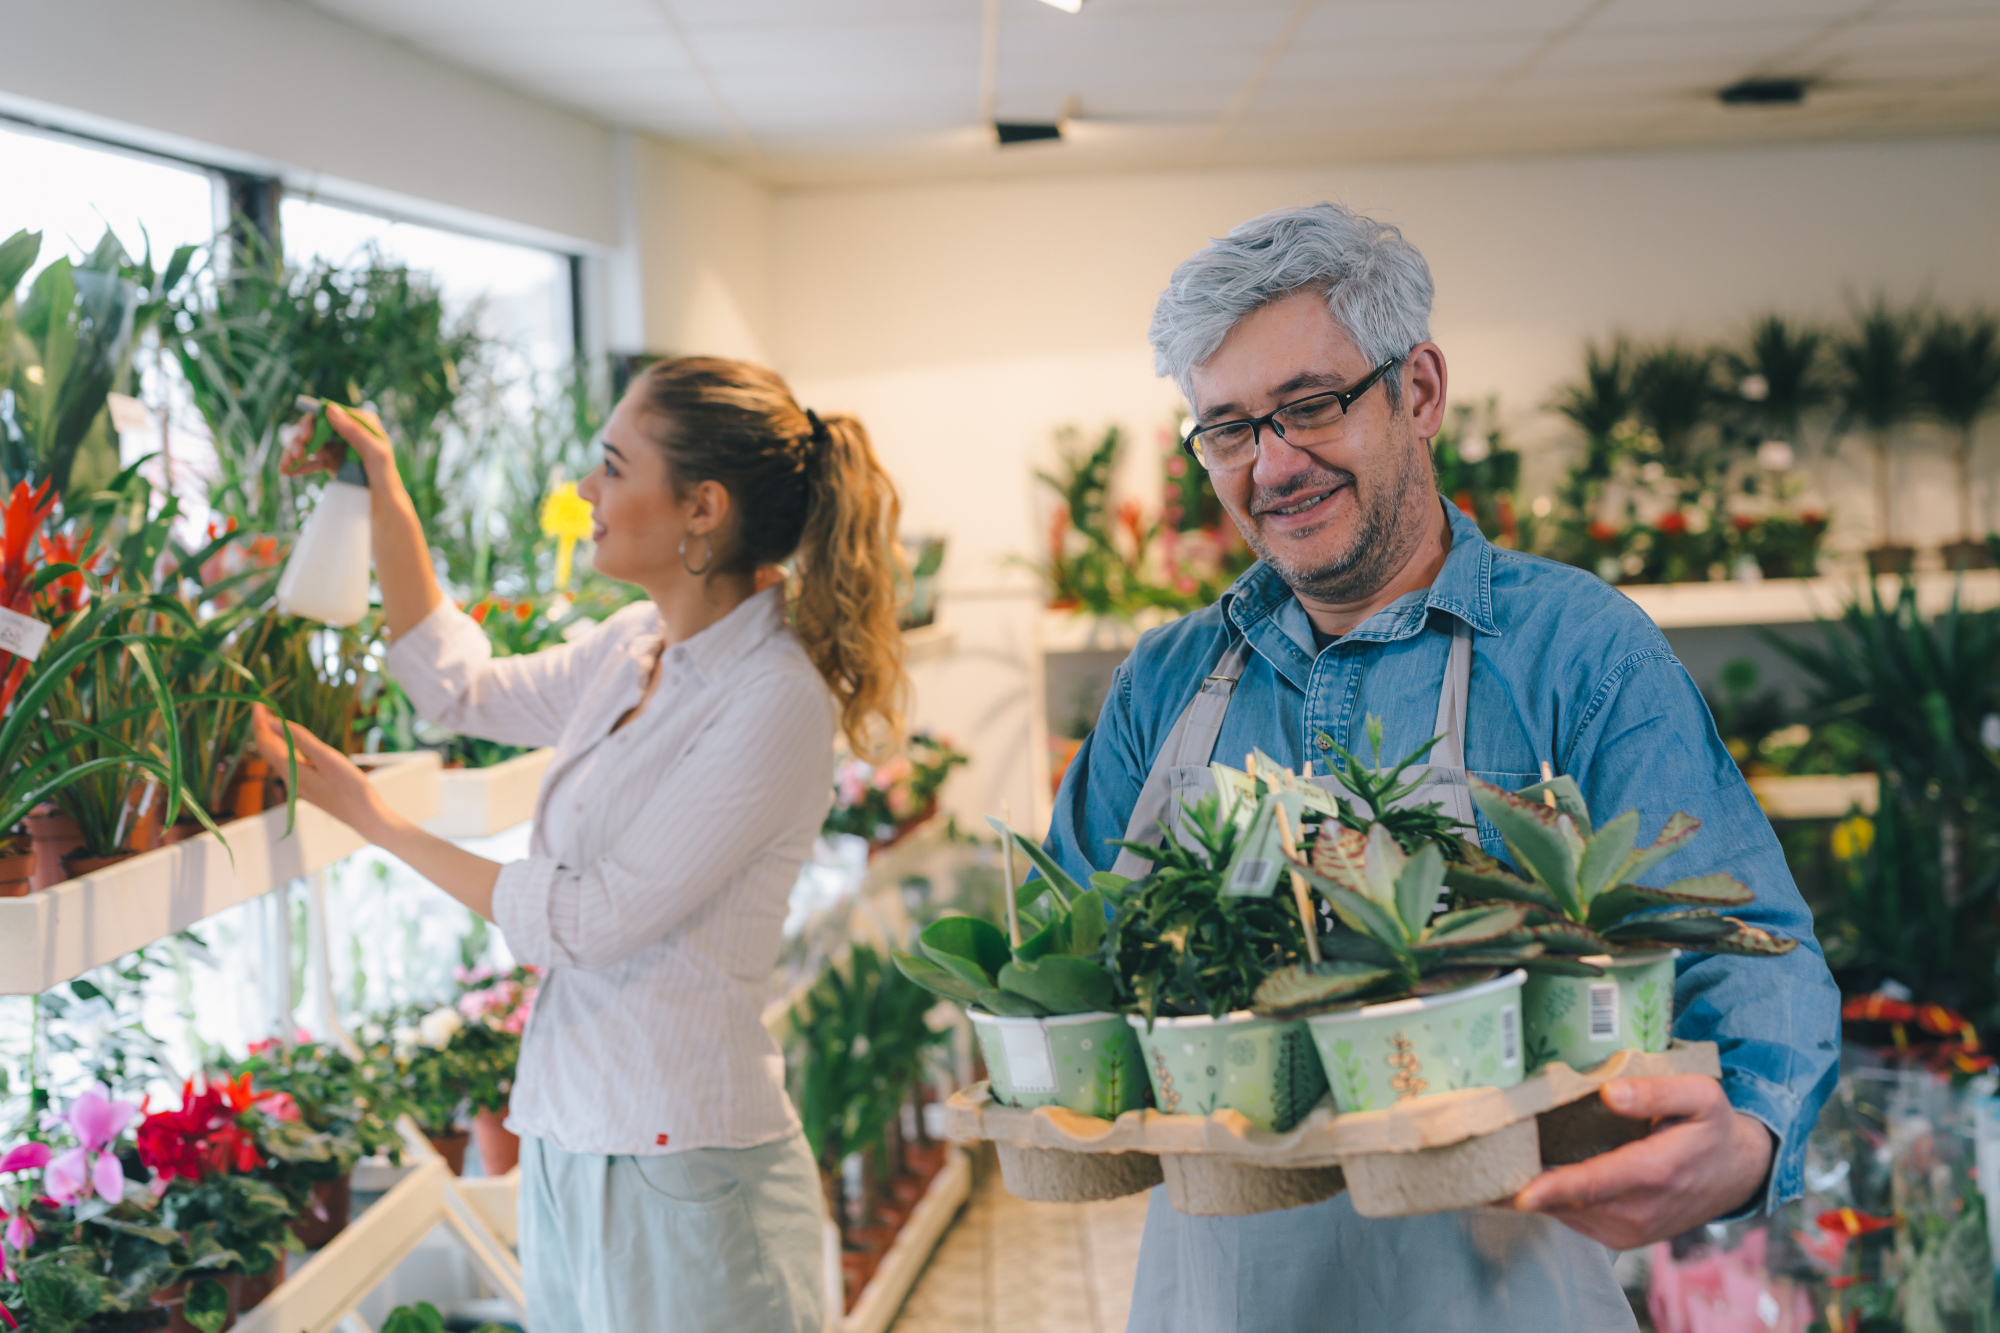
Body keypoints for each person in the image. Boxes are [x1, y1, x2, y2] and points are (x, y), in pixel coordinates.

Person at [1044, 203, 1839, 1331]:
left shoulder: (1579, 650)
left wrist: (1748, 1130)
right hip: (1216, 1298)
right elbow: (1059, 957)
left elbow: (1752, 941)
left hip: (1512, 1290)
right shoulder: (1163, 684)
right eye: (1226, 428)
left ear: (1417, 391)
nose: (1272, 463)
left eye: (1309, 406)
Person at [251, 357, 908, 1333]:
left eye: (611, 464)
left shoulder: (771, 696)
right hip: (569, 1135)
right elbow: (457, 688)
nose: (583, 491)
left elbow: (592, 919)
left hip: (684, 1165)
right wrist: (384, 493)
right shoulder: (632, 647)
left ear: (701, 507)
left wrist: (371, 815)